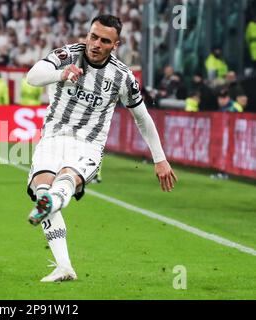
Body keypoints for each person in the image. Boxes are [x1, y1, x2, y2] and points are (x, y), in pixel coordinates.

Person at [25, 14, 178, 282]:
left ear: (115, 45)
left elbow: (142, 117)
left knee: (65, 181)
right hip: (52, 138)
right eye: (93, 36)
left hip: (88, 144)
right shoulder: (67, 55)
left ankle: (52, 202)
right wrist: (61, 73)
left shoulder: (121, 76)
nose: (95, 44)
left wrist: (160, 158)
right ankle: (64, 266)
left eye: (104, 40)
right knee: (42, 190)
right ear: (88, 34)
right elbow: (32, 76)